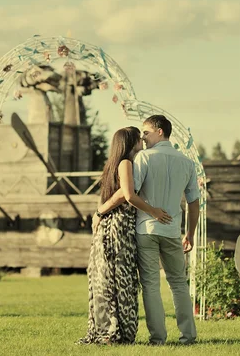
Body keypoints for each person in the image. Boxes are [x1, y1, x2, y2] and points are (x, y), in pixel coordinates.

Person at [97, 115, 200, 346]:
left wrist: (102, 210)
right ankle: (188, 336)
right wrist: (190, 234)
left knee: (151, 285)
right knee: (178, 283)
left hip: (146, 230)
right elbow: (194, 203)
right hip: (173, 231)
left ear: (160, 131)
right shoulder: (187, 163)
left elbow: (129, 194)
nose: (142, 137)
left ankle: (158, 339)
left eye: (146, 132)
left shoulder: (143, 158)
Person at [78, 126, 172, 345]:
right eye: (138, 139)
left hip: (112, 223)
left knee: (111, 277)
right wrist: (153, 211)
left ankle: (110, 329)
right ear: (131, 143)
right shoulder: (127, 163)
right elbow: (126, 194)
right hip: (118, 226)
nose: (142, 141)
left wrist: (99, 212)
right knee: (119, 277)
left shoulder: (115, 163)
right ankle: (115, 330)